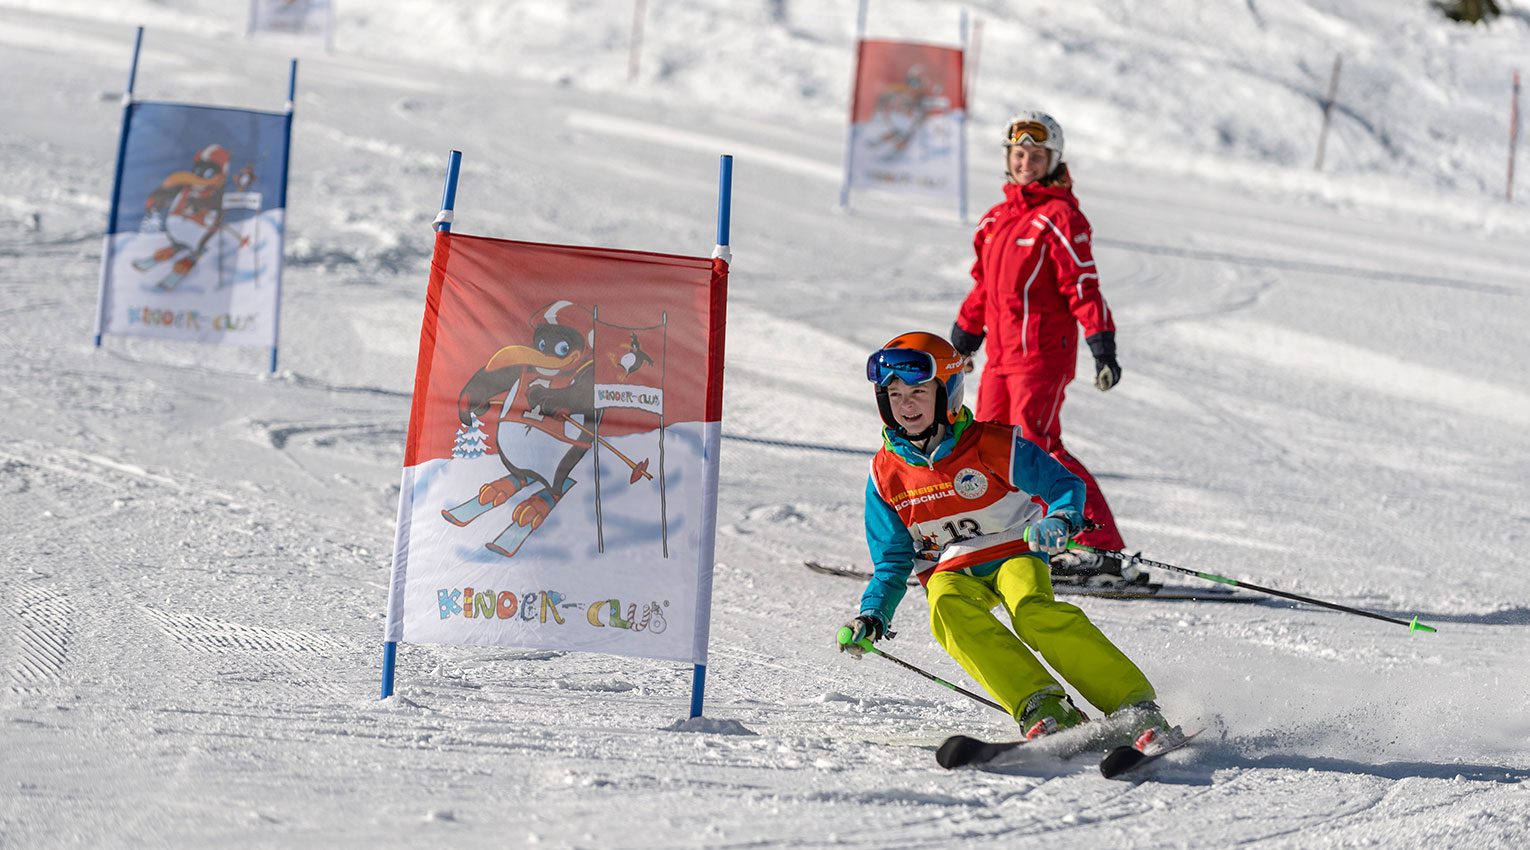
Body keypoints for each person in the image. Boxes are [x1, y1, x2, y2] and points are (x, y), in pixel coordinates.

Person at [840, 331, 1162, 739]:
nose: (907, 404)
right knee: (947, 612)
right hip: (951, 570)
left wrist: (1060, 519)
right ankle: (1042, 705)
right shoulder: (885, 475)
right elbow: (892, 562)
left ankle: (1132, 705)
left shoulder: (992, 446)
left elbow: (1063, 484)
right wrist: (873, 614)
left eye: (919, 390)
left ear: (947, 392)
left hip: (1013, 551)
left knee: (1032, 610)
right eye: (895, 394)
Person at [948, 111, 1136, 583]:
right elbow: (984, 289)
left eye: (1036, 154)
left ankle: (1098, 546)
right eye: (1018, 153)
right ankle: (1000, 539)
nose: (1025, 161)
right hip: (1002, 357)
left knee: (1038, 445)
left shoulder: (1061, 218)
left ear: (1052, 160)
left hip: (1041, 356)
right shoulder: (996, 219)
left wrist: (1101, 345)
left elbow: (1083, 287)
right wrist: (963, 339)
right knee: (987, 445)